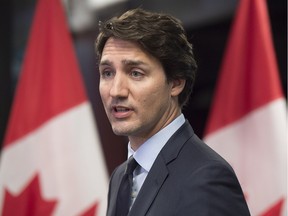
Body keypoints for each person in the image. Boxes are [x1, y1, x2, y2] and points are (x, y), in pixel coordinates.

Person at [95, 8, 250, 216]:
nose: (116, 90)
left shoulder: (206, 178)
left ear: (176, 83)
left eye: (135, 73)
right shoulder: (120, 177)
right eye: (107, 73)